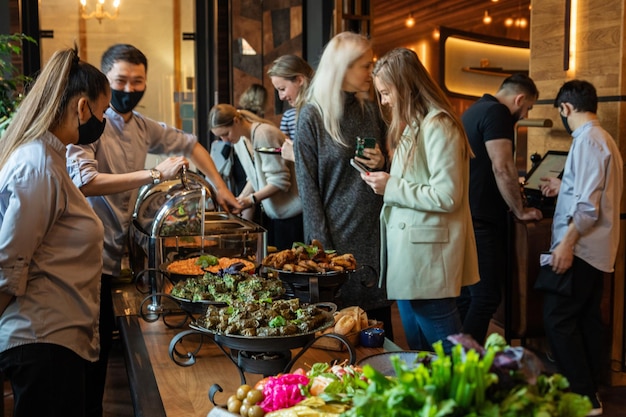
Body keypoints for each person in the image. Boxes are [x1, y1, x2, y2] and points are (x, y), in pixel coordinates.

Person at [65, 43, 241, 417]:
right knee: (90, 346)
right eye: (120, 81)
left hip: (121, 247)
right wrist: (154, 174)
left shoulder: (143, 127)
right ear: (104, 81)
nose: (129, 89)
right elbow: (85, 180)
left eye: (137, 81)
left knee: (105, 337)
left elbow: (192, 145)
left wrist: (221, 188)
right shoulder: (90, 124)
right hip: (86, 253)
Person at [0, 47, 109, 417]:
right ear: (82, 108)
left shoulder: (53, 156)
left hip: (56, 340)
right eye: (102, 111)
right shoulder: (37, 164)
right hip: (41, 339)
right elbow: (9, 262)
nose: (103, 121)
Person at [361, 47, 480, 353]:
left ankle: (468, 401)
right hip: (413, 254)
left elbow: (447, 195)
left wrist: (391, 186)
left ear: (405, 87)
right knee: (421, 355)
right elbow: (417, 182)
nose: (384, 101)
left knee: (450, 356)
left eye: (386, 93)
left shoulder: (439, 125)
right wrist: (384, 174)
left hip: (427, 256)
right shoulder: (416, 126)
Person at [294, 31, 394, 340]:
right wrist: (319, 249)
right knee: (338, 334)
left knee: (377, 329)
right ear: (342, 68)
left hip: (375, 232)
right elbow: (307, 188)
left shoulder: (371, 109)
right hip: (335, 237)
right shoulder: (313, 115)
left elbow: (391, 167)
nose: (371, 73)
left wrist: (383, 163)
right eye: (365, 66)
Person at [539, 80, 623, 416]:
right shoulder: (603, 139)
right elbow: (592, 191)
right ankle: (592, 391)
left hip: (582, 247)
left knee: (556, 319)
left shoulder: (588, 140)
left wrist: (566, 245)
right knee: (586, 319)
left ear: (565, 108)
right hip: (598, 250)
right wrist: (564, 185)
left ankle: (584, 396)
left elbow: (588, 208)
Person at [457, 73, 543, 344]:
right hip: (482, 220)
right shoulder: (498, 113)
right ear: (519, 98)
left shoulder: (474, 110)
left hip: (464, 215)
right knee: (486, 297)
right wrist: (520, 210)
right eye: (527, 107)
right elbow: (503, 166)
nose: (525, 112)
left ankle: (449, 361)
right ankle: (464, 365)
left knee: (466, 295)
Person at [209, 103, 303, 250]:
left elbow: (280, 182)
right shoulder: (239, 140)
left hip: (293, 215)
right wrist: (239, 200)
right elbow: (255, 178)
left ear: (236, 121)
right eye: (220, 136)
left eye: (226, 133)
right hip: (276, 215)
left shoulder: (263, 134)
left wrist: (250, 200)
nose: (225, 140)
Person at [267, 55, 314, 162]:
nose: (281, 97)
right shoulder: (307, 111)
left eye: (282, 89)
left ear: (299, 80)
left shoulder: (313, 112)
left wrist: (294, 154)